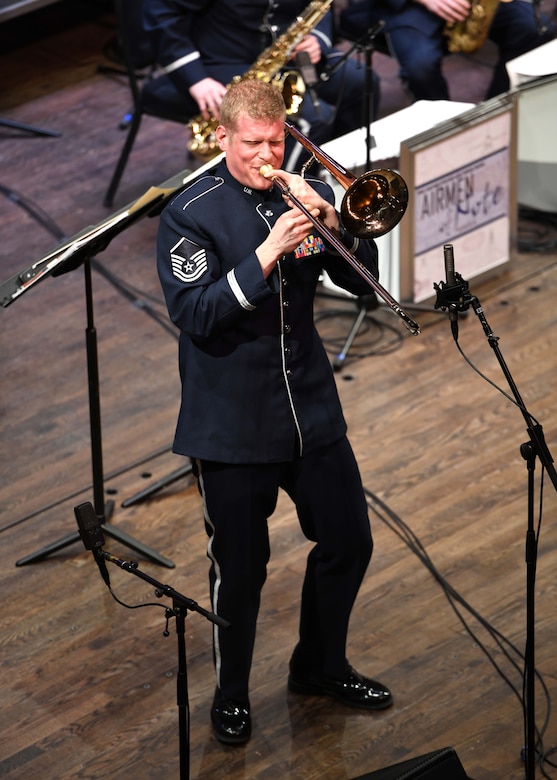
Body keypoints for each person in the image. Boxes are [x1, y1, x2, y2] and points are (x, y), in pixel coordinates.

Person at [155, 78, 392, 745]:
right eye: (253, 144)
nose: (267, 156)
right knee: (242, 567)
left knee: (349, 540)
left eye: (276, 141)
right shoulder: (189, 212)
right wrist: (265, 254)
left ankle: (318, 665)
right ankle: (230, 695)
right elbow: (196, 315)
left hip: (309, 406)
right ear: (223, 137)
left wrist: (332, 222)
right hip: (230, 422)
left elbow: (364, 286)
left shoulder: (297, 189)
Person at [143, 0, 380, 170]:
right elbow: (160, 12)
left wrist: (318, 39)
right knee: (311, 119)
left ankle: (334, 175)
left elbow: (320, 7)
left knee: (363, 84)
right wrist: (195, 78)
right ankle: (281, 202)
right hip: (223, 59)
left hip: (290, 51)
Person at [339, 0, 555, 102]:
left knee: (532, 29)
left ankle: (497, 106)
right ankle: (443, 131)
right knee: (420, 66)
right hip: (411, 6)